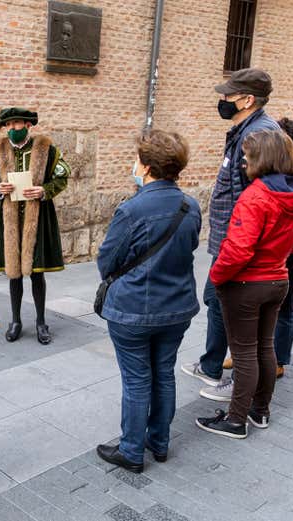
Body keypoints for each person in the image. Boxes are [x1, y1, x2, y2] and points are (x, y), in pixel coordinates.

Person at [95, 130, 202, 472]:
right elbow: (190, 247)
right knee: (164, 373)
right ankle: (159, 442)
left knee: (137, 379)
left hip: (133, 309)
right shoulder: (190, 206)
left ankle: (131, 450)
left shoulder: (132, 209)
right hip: (177, 306)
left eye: (137, 160)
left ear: (146, 166)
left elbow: (107, 260)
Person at [196, 129, 293, 439]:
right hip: (277, 279)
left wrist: (217, 277)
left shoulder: (255, 196)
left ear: (262, 158)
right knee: (265, 347)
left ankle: (235, 420)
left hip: (247, 284)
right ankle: (260, 411)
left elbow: (238, 249)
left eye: (247, 155)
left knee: (244, 353)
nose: (243, 161)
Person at [181, 68, 280, 402]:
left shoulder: (259, 135)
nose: (222, 100)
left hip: (238, 245)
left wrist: (238, 249)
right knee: (216, 301)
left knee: (239, 313)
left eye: (228, 95)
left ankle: (240, 387)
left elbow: (256, 200)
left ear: (247, 99)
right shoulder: (245, 130)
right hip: (230, 240)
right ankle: (212, 365)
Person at [223, 119, 293, 379]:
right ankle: (254, 359)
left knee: (282, 306)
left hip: (282, 247)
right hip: (284, 244)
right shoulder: (287, 175)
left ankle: (277, 359)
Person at [0, 107, 70, 345]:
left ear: (28, 125)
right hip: (8, 218)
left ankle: (41, 322)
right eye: (8, 125)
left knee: (37, 274)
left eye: (16, 124)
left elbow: (62, 176)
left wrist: (44, 190)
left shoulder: (46, 149)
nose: (12, 129)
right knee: (14, 274)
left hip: (37, 218)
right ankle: (16, 321)